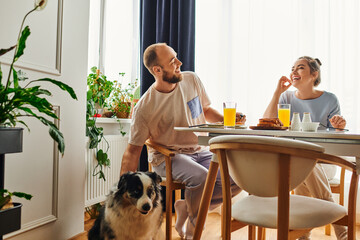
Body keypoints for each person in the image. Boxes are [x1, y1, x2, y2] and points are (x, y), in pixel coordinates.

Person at [120, 42, 246, 239]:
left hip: (200, 150)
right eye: (172, 61)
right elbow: (133, 150)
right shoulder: (145, 107)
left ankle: (186, 206)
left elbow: (205, 110)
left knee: (238, 176)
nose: (179, 62)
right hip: (168, 157)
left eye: (176, 57)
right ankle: (192, 233)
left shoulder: (191, 80)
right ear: (157, 70)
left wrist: (226, 118)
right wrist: (124, 190)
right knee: (200, 177)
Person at [264, 56, 347, 240]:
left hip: (325, 162)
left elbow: (337, 134)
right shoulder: (286, 97)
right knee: (301, 161)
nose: (293, 72)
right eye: (292, 68)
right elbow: (267, 124)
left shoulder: (330, 99)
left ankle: (309, 235)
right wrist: (277, 92)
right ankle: (342, 232)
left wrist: (339, 127)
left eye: (300, 68)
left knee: (303, 163)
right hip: (295, 161)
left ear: (314, 74)